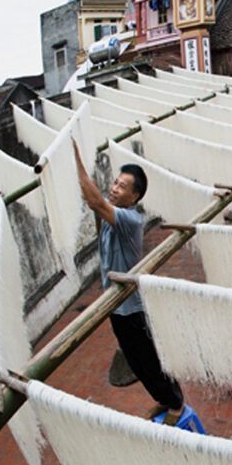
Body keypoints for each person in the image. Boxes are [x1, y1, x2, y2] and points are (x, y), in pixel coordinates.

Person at [73, 140, 185, 425]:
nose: (114, 188)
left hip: (131, 308)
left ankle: (176, 404)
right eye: (115, 183)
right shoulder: (112, 215)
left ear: (134, 197)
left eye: (122, 187)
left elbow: (94, 201)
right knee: (136, 363)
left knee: (149, 359)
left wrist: (74, 157)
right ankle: (162, 400)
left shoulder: (130, 219)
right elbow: (99, 205)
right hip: (116, 307)